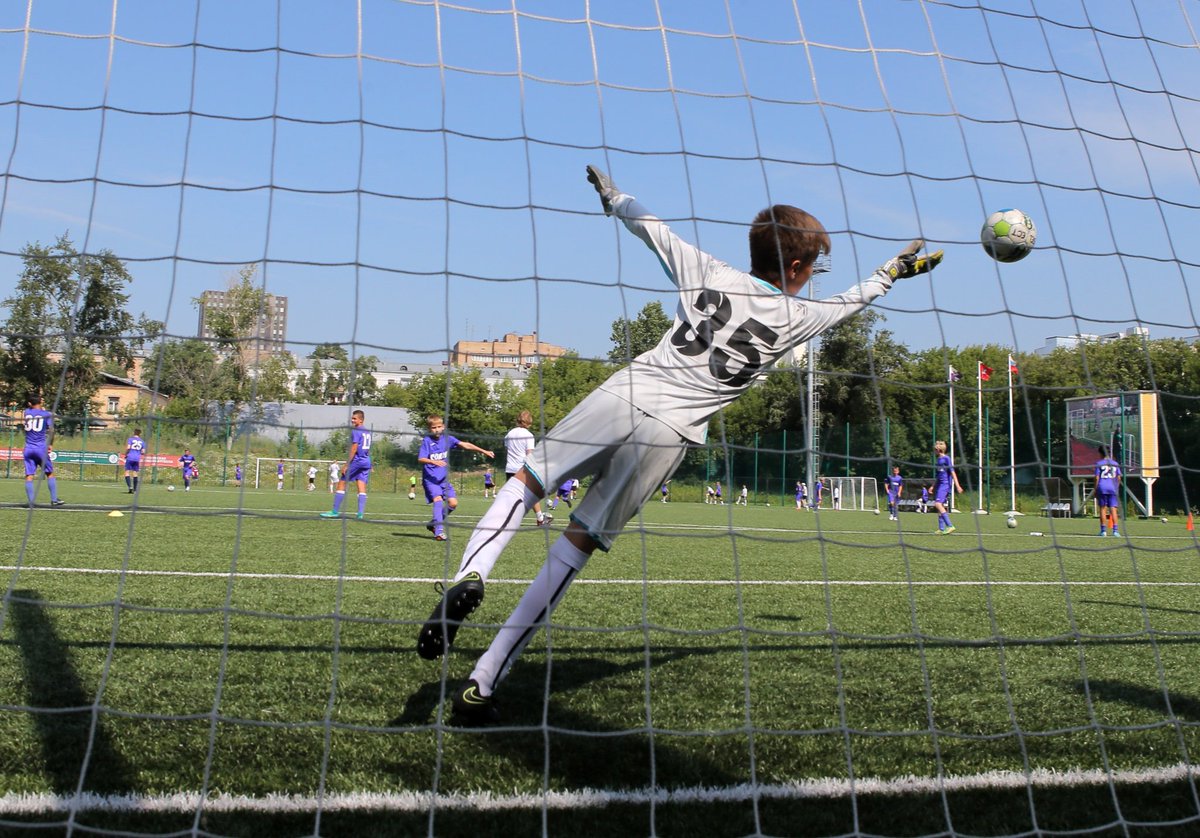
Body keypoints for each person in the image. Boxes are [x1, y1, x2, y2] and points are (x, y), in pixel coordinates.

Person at [415, 163, 943, 722]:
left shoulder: (707, 270)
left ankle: (472, 573)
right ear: (796, 267)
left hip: (625, 394)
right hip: (670, 436)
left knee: (526, 484)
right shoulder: (798, 316)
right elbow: (854, 301)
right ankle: (483, 682)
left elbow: (651, 227)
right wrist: (891, 271)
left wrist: (614, 197)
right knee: (576, 544)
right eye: (815, 267)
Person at [415, 414, 494, 540]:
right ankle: (439, 531)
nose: (437, 429)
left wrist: (483, 451)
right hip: (431, 479)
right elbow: (421, 458)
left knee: (453, 503)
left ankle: (433, 524)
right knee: (438, 500)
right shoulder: (427, 441)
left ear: (443, 427)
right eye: (433, 427)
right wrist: (433, 461)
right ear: (429, 429)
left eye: (439, 426)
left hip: (443, 480)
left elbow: (465, 445)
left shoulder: (447, 439)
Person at [321, 410, 373, 520]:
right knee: (361, 485)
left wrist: (346, 464)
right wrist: (370, 463)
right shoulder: (367, 432)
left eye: (355, 418)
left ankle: (334, 511)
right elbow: (367, 448)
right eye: (352, 418)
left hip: (358, 460)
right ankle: (360, 514)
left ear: (361, 420)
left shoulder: (356, 431)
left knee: (342, 482)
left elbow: (354, 448)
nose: (352, 420)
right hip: (366, 461)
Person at [503, 410, 549, 526]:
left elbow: (508, 449)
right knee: (532, 493)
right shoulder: (529, 435)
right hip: (522, 469)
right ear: (529, 422)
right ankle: (540, 519)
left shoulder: (510, 434)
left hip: (510, 468)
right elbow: (529, 455)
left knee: (512, 496)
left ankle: (507, 519)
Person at [21, 394, 64, 507]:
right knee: (49, 473)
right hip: (40, 448)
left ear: (30, 403)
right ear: (41, 402)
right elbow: (51, 430)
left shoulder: (26, 412)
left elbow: (30, 411)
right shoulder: (46, 415)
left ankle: (31, 502)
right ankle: (54, 500)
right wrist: (50, 444)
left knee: (29, 475)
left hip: (28, 448)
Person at [932, 440, 964, 534]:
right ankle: (941, 528)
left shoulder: (947, 459)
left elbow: (952, 472)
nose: (934, 451)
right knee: (940, 505)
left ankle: (950, 525)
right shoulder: (938, 460)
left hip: (945, 485)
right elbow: (938, 476)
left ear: (938, 450)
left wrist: (957, 485)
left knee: (937, 504)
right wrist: (933, 486)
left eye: (935, 449)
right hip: (939, 485)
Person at [1093, 445, 1122, 537]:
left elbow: (1097, 478)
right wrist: (1116, 487)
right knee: (1113, 509)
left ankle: (1103, 531)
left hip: (1102, 487)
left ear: (1100, 453)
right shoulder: (1115, 463)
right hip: (1112, 488)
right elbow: (1119, 477)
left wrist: (1095, 489)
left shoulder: (1099, 463)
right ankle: (1115, 531)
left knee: (1102, 508)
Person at [124, 427, 145, 494]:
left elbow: (128, 448)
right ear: (140, 434)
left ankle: (130, 487)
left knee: (127, 472)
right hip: (137, 458)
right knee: (135, 473)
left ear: (134, 432)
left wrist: (126, 454)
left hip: (130, 457)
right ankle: (135, 490)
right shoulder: (142, 442)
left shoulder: (130, 439)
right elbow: (143, 452)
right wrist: (138, 452)